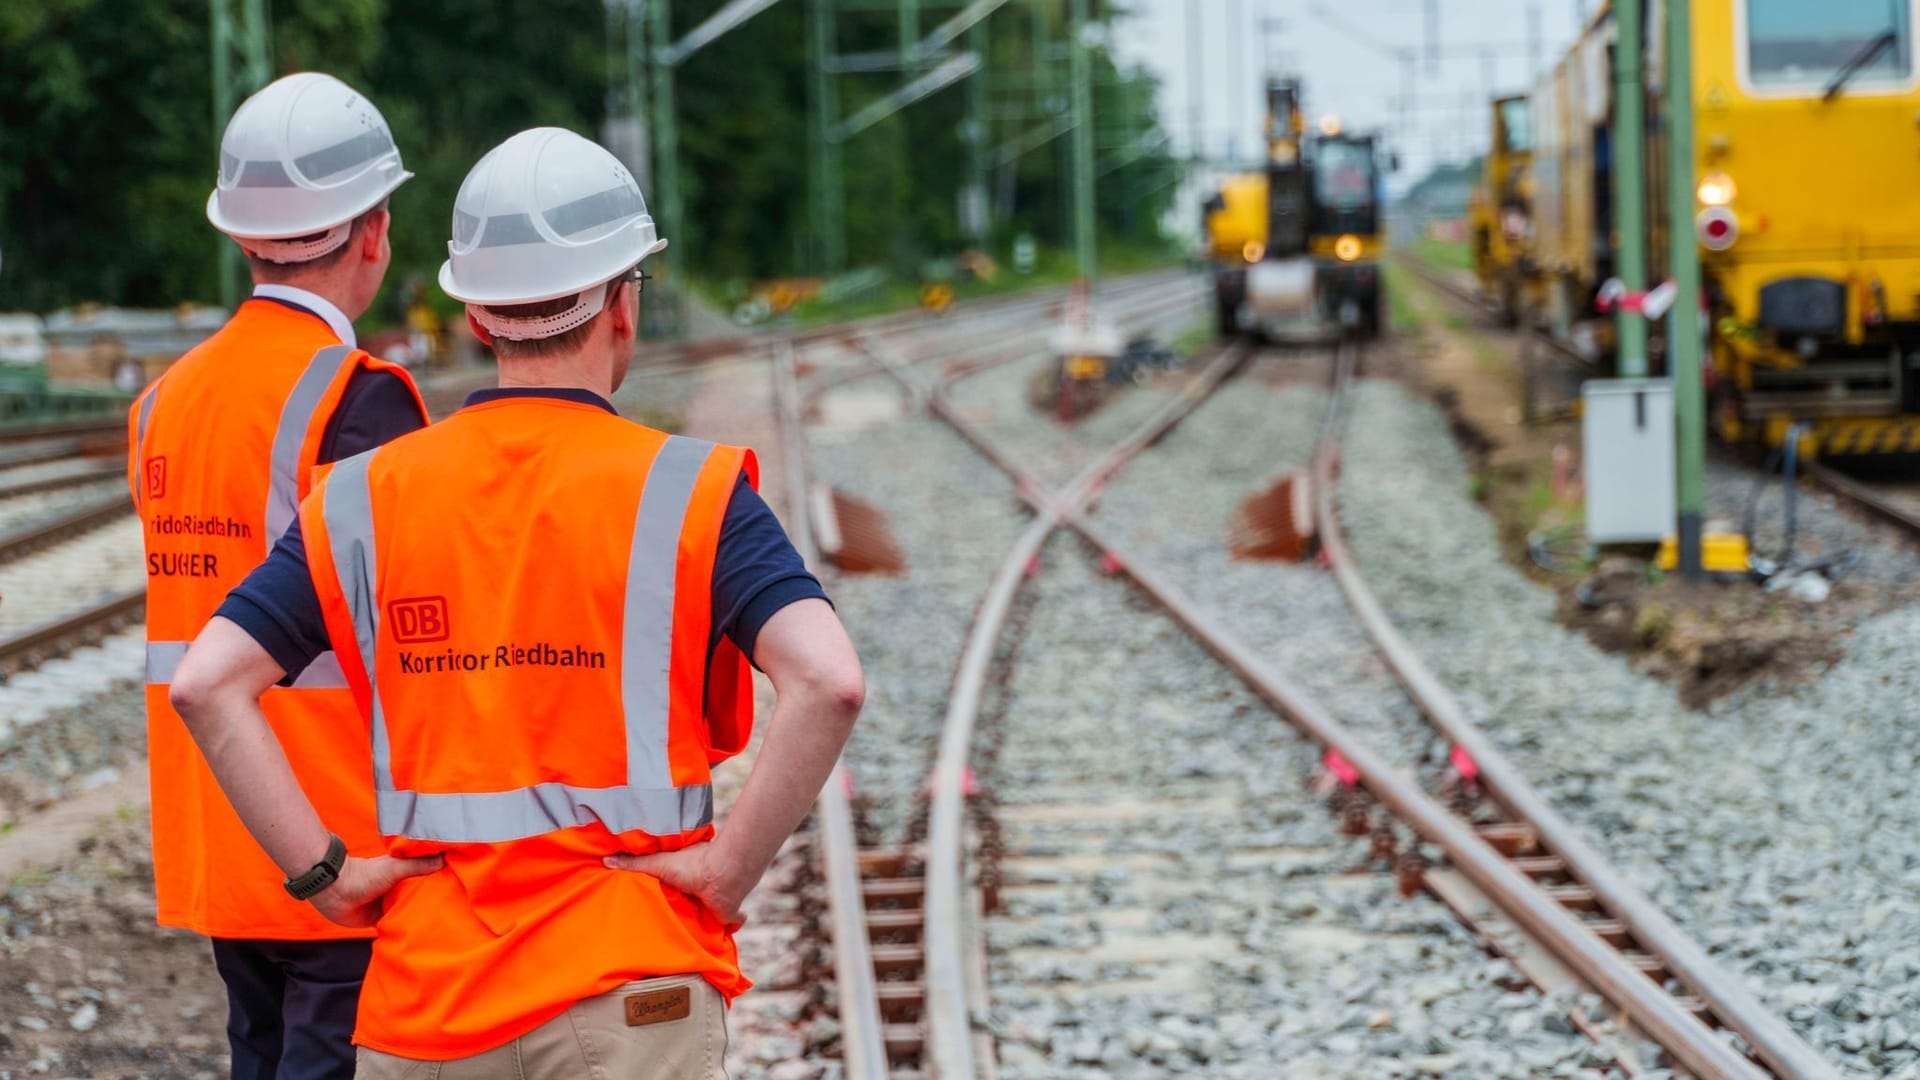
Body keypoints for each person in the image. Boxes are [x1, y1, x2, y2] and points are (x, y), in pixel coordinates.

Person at [168, 127, 865, 1077]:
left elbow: (207, 685)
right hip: (631, 988)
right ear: (623, 304)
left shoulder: (366, 497)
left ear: (478, 318)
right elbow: (827, 682)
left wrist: (327, 877)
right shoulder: (690, 491)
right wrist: (724, 871)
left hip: (431, 1006)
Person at [129, 72, 426, 1080]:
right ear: (374, 232)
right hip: (338, 842)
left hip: (220, 831)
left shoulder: (164, 402)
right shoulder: (358, 399)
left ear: (240, 236)